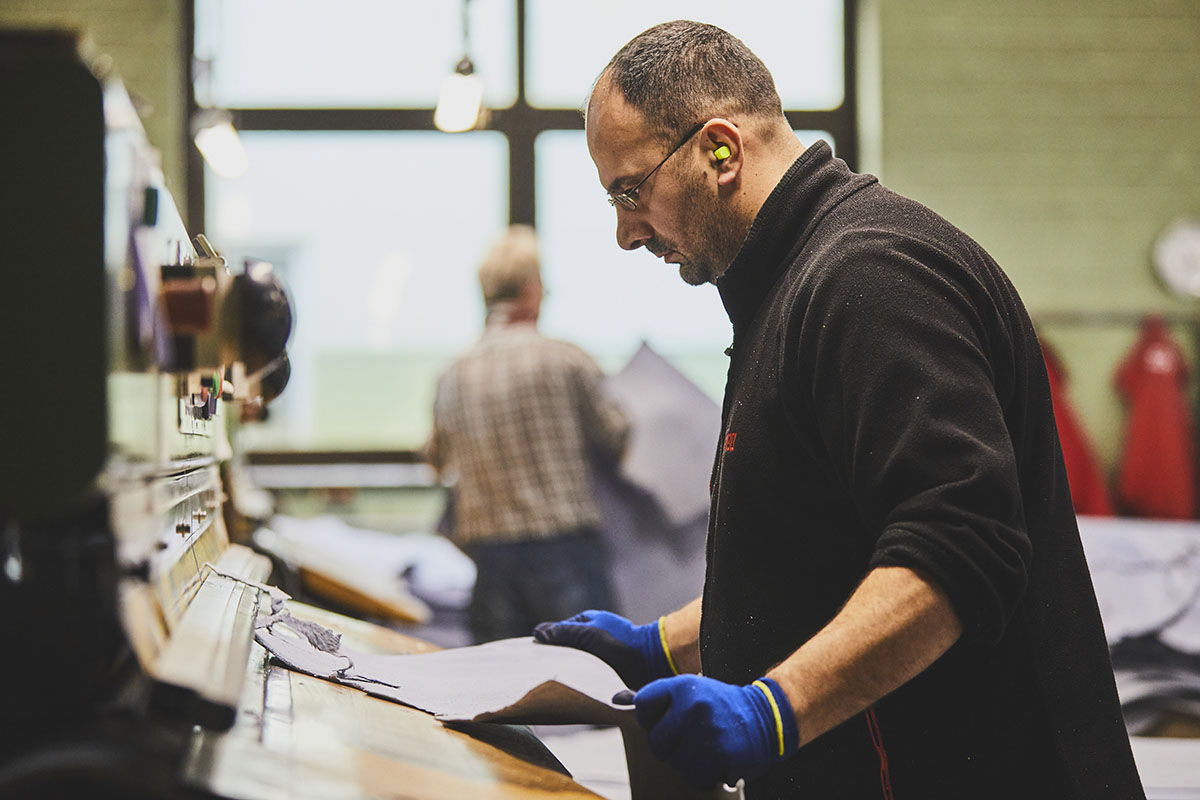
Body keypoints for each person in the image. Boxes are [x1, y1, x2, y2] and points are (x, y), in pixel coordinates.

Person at [533, 20, 1145, 799]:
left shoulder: (870, 278)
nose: (624, 233)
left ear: (720, 152)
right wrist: (666, 644)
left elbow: (960, 547)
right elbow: (814, 556)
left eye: (630, 191)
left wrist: (771, 713)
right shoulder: (791, 288)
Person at [426, 224, 629, 644]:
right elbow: (615, 435)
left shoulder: (452, 374)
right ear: (533, 289)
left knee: (503, 694)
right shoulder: (565, 360)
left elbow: (435, 459)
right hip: (564, 551)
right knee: (591, 683)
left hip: (489, 560)